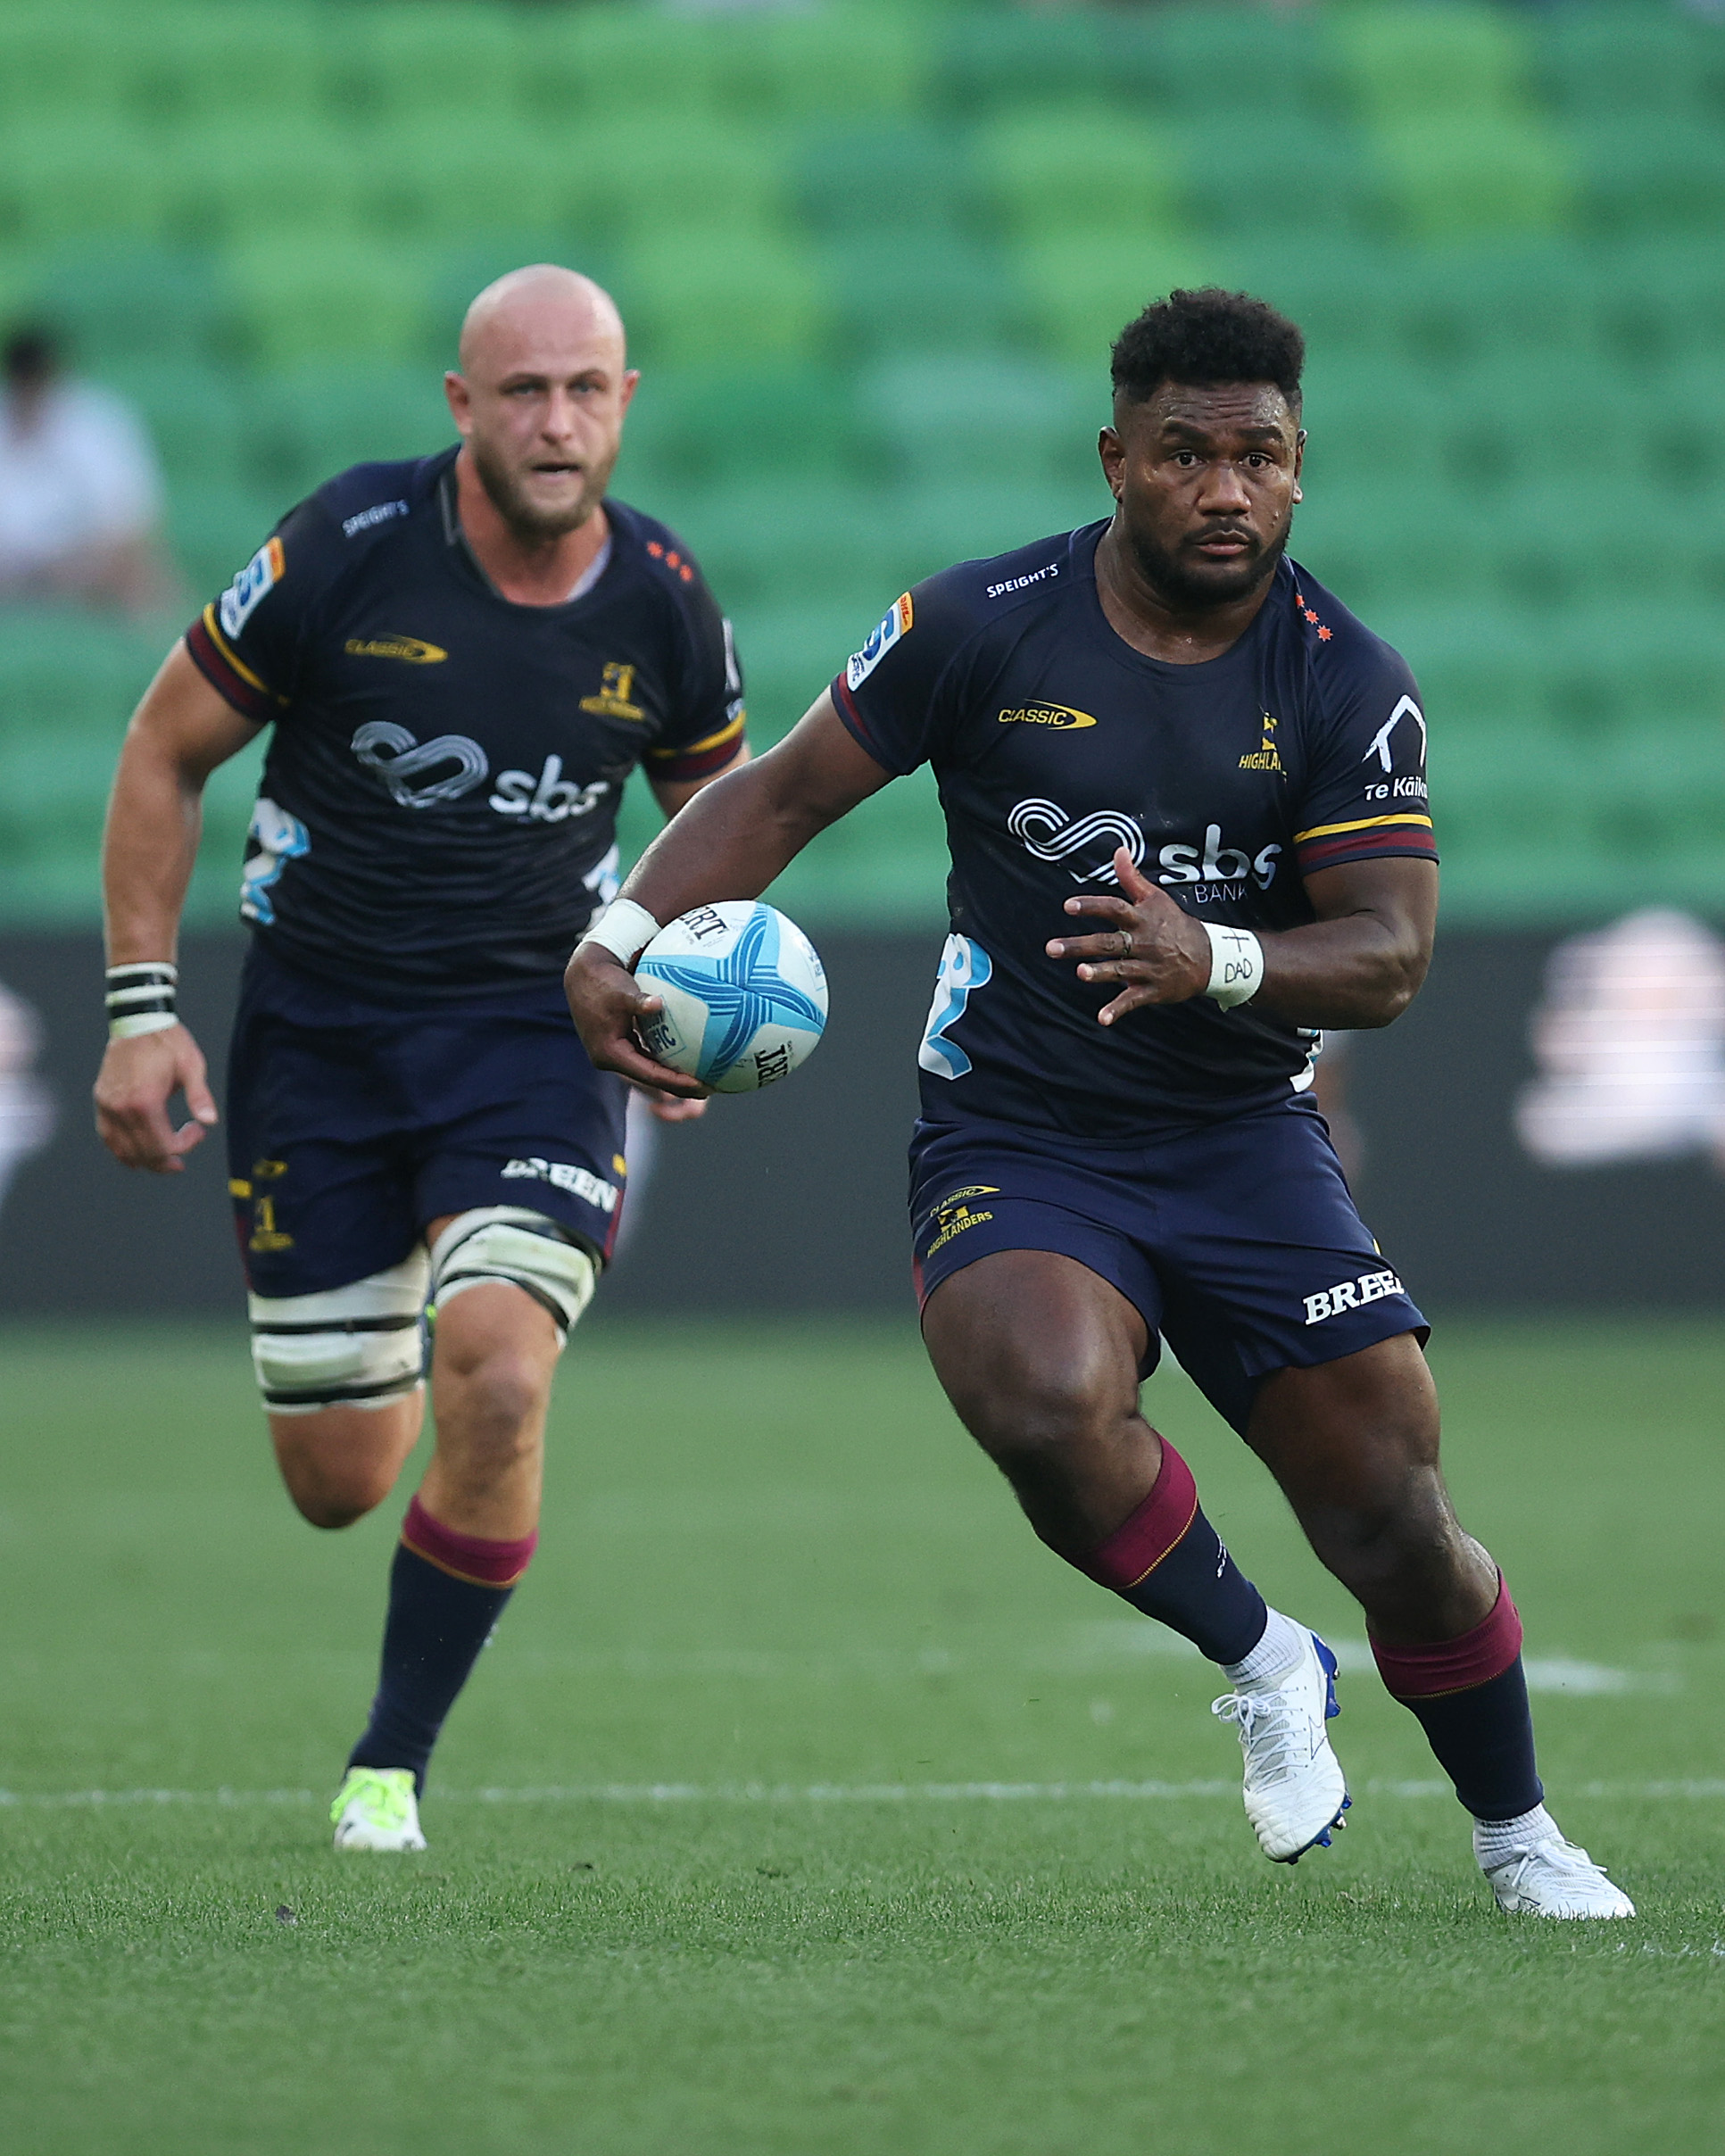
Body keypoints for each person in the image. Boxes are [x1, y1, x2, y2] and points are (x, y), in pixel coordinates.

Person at [567, 287, 1633, 1919]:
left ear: (1297, 468)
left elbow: (1388, 953)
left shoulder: (1344, 680)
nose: (1225, 489)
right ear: (1116, 459)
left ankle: (1517, 1835)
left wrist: (1202, 953)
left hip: (1239, 1144)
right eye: (1187, 453)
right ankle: (1266, 1660)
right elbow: (777, 794)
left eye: (1259, 456)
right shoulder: (978, 622)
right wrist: (620, 932)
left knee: (1395, 1514)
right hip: (1021, 1136)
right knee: (1041, 1397)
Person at [93, 266, 747, 1852]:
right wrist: (136, 1008)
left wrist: (693, 995)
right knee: (334, 1479)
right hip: (316, 1038)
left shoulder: (663, 599)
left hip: (533, 1035)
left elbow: (722, 828)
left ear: (624, 403)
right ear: (462, 406)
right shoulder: (346, 549)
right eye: (520, 390)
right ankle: (407, 1303)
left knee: (503, 1375)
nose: (554, 419)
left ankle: (389, 1763)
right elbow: (165, 747)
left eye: (584, 389)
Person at [0, 328, 176, 615]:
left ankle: (160, 654)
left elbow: (130, 521)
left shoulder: (97, 421)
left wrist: (72, 563)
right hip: (10, 567)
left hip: (85, 559)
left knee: (142, 568)